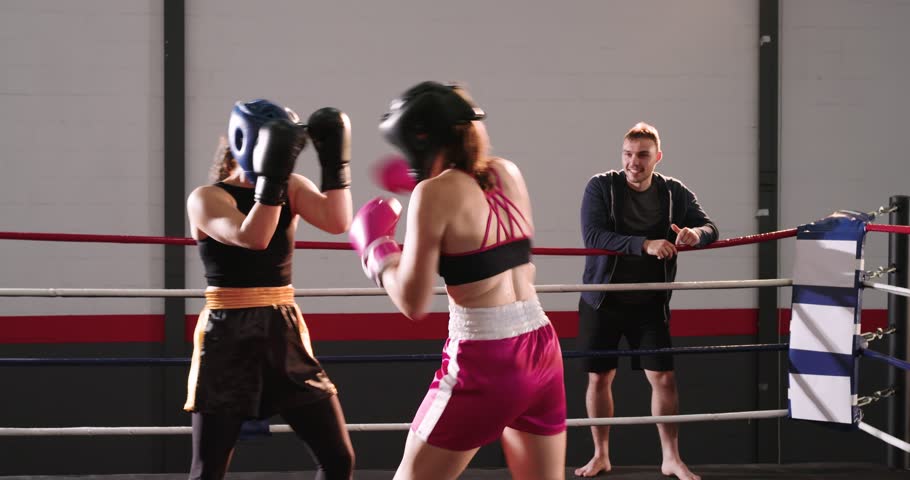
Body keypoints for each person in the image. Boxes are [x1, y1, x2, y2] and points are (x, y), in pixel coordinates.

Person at [349, 81, 567, 480]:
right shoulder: (508, 172)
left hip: (487, 358)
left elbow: (412, 304)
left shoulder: (432, 196)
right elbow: (478, 231)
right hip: (544, 350)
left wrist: (377, 251)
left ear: (420, 140)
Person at [184, 99, 355, 480]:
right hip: (228, 335)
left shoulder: (292, 186)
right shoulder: (208, 198)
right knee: (208, 470)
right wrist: (273, 181)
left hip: (284, 332)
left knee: (338, 458)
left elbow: (336, 220)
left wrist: (334, 166)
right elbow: (254, 237)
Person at [574, 122, 717, 479]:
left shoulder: (673, 192)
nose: (633, 162)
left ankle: (671, 458)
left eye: (642, 155)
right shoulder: (601, 186)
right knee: (599, 378)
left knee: (664, 379)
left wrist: (693, 234)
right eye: (628, 154)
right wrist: (644, 244)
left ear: (657, 157)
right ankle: (601, 455)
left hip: (650, 302)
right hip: (603, 300)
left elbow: (710, 227)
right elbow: (594, 234)